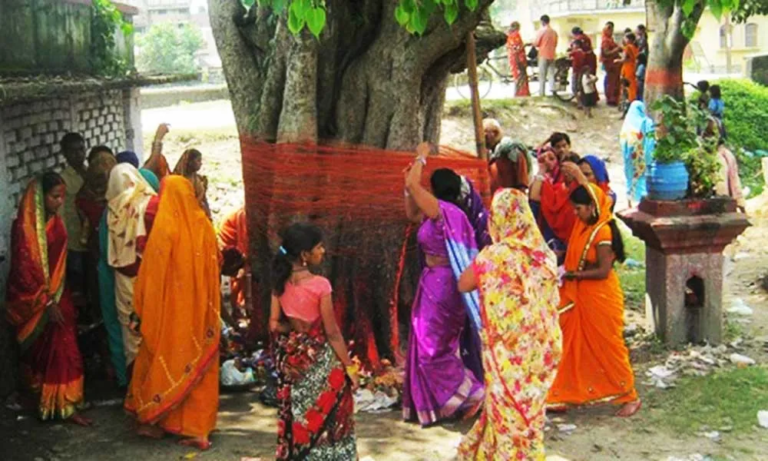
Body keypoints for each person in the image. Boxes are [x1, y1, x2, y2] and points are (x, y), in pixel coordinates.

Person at [456, 188, 562, 460]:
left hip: (506, 355)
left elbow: (463, 283)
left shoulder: (493, 257)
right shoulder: (545, 256)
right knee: (529, 413)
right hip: (541, 350)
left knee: (507, 410)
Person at [124, 176, 221, 450]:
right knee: (199, 366)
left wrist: (141, 310)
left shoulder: (164, 230)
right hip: (200, 315)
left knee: (158, 359)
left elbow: (150, 278)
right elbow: (215, 266)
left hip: (168, 317)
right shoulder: (203, 225)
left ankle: (156, 421)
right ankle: (198, 429)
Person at [402, 143, 485, 426]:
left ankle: (472, 392)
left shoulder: (445, 211)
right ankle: (447, 402)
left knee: (431, 348)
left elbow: (415, 184)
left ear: (435, 189)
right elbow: (412, 214)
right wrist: (407, 187)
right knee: (434, 345)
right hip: (434, 284)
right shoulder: (438, 213)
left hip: (443, 287)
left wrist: (421, 156)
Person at [547, 176, 641, 418]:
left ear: (592, 207)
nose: (576, 214)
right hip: (578, 297)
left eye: (578, 209)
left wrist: (572, 274)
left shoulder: (603, 232)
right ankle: (562, 395)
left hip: (599, 298)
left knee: (608, 347)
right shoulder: (585, 226)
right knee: (569, 344)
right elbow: (576, 254)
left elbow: (602, 271)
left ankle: (629, 395)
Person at [5, 173, 91, 426]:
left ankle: (66, 403)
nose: (60, 202)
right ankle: (51, 403)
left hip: (59, 294)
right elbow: (24, 270)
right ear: (40, 198)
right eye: (55, 197)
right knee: (49, 353)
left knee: (65, 351)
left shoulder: (55, 221)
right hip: (39, 302)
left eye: (62, 196)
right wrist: (46, 301)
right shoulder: (24, 230)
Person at [270, 223, 358, 459]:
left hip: (294, 359)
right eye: (319, 247)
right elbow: (332, 332)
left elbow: (274, 325)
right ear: (304, 255)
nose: (323, 251)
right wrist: (349, 367)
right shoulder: (321, 285)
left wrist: (294, 327)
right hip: (321, 358)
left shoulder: (280, 283)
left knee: (300, 413)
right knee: (332, 413)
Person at [102, 164, 159, 386]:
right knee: (154, 331)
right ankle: (158, 388)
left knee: (131, 334)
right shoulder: (151, 205)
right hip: (151, 277)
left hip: (125, 280)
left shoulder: (112, 211)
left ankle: (137, 388)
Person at [529, 147, 577, 261]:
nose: (567, 172)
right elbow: (534, 197)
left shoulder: (581, 192)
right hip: (552, 239)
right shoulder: (557, 189)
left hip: (573, 242)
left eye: (552, 158)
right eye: (565, 168)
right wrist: (541, 170)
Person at [59, 133, 88, 304]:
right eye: (73, 151)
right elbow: (60, 211)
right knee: (77, 276)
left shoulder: (92, 171)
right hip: (74, 237)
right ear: (65, 153)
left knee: (92, 275)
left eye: (81, 149)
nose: (78, 154)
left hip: (92, 235)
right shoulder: (63, 178)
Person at [620, 101, 655, 206]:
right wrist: (650, 158)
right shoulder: (646, 123)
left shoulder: (626, 125)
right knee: (642, 180)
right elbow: (650, 143)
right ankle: (642, 204)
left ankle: (630, 203)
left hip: (629, 159)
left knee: (631, 180)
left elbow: (623, 144)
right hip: (642, 158)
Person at [484, 119, 531, 193]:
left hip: (509, 200)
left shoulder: (513, 152)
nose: (483, 140)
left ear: (495, 133)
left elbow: (522, 183)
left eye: (485, 137)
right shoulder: (487, 155)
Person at [173, 148, 211, 218]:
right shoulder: (178, 180)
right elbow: (186, 203)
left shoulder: (198, 179)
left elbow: (203, 199)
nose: (201, 163)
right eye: (198, 160)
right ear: (189, 162)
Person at [534, 15, 558, 97]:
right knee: (551, 74)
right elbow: (555, 44)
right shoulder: (554, 32)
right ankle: (553, 90)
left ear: (542, 22)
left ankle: (542, 93)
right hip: (552, 55)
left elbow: (536, 43)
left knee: (542, 75)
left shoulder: (542, 31)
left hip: (543, 55)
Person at [601, 22, 623, 106]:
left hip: (615, 65)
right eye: (610, 29)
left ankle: (614, 98)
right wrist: (616, 50)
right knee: (611, 83)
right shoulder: (605, 40)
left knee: (615, 82)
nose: (612, 31)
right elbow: (606, 52)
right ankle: (611, 99)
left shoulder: (610, 39)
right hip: (610, 65)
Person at [506, 21, 530, 97]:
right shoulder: (516, 35)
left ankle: (517, 92)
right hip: (519, 58)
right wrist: (524, 46)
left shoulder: (509, 35)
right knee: (521, 76)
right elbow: (518, 47)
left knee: (516, 76)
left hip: (512, 58)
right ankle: (522, 93)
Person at [616, 32, 639, 103]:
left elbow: (624, 59)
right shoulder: (635, 47)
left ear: (629, 39)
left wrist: (617, 60)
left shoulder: (628, 47)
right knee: (632, 86)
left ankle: (628, 102)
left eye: (626, 38)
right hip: (633, 67)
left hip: (627, 68)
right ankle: (632, 100)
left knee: (626, 86)